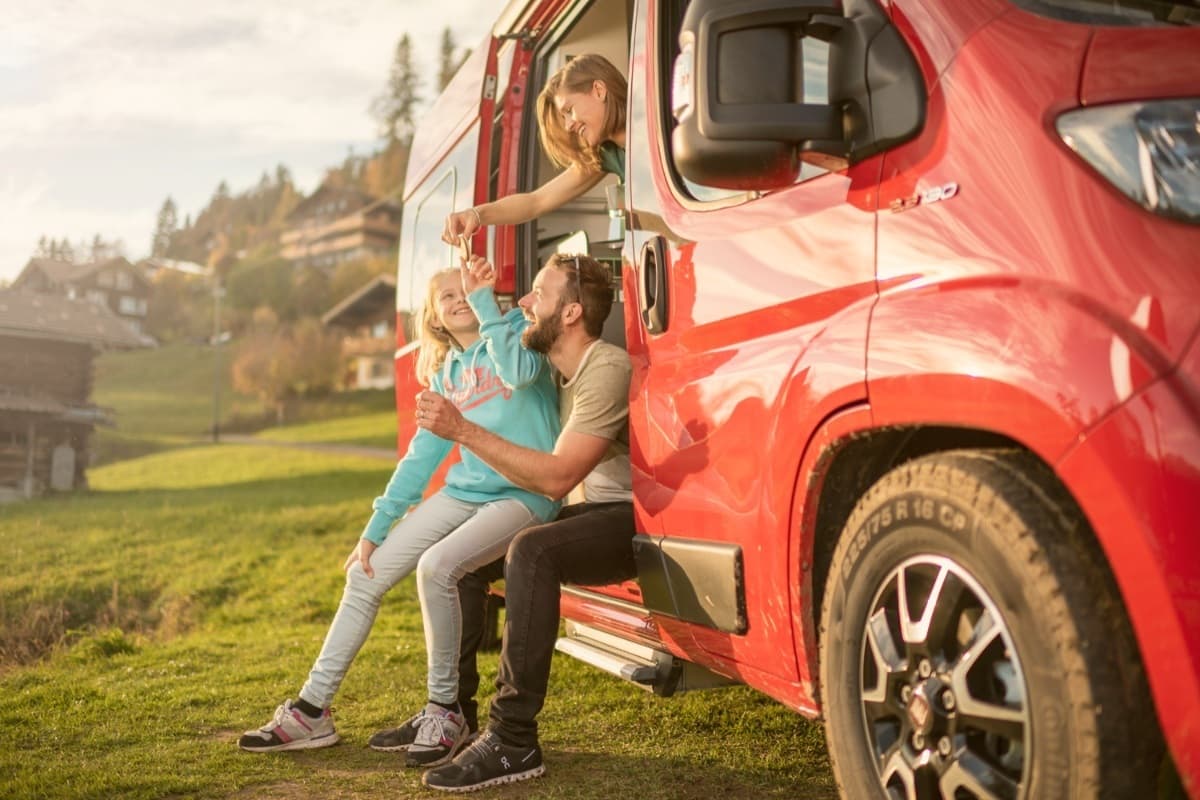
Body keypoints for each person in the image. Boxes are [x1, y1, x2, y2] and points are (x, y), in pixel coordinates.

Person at [238, 265, 561, 770]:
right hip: (466, 494)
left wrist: (486, 306)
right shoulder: (446, 377)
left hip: (524, 495)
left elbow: (518, 376)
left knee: (436, 568)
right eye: (447, 296)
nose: (459, 299)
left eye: (466, 291)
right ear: (433, 317)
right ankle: (310, 711)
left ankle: (445, 709)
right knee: (363, 576)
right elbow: (419, 461)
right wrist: (374, 531)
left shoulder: (519, 337)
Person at [410, 253, 636, 792]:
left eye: (539, 294)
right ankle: (454, 717)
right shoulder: (558, 373)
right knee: (462, 566)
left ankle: (513, 740)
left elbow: (557, 479)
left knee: (532, 549)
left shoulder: (605, 366)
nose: (526, 303)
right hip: (598, 511)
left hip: (634, 516)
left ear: (573, 312)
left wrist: (464, 431)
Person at [442, 52, 627, 247]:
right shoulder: (606, 154)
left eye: (569, 110)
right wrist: (477, 214)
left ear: (599, 90)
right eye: (564, 118)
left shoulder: (658, 118)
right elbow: (536, 201)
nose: (568, 126)